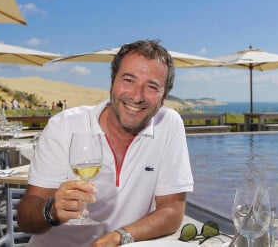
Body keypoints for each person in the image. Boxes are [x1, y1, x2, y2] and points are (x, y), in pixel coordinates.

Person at [17, 40, 194, 247]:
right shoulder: (64, 126)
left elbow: (172, 211)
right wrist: (52, 210)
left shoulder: (169, 124)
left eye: (152, 86)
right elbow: (26, 220)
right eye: (128, 80)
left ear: (163, 98)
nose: (137, 96)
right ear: (112, 83)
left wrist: (118, 236)